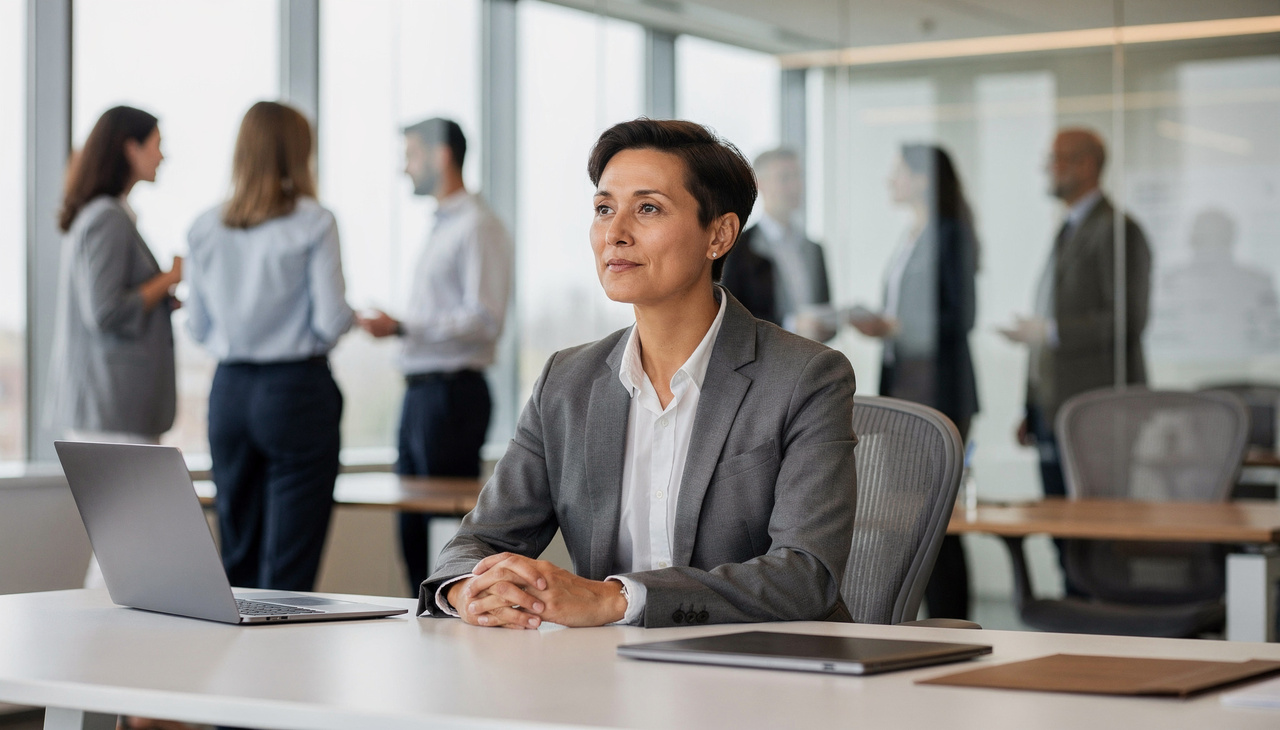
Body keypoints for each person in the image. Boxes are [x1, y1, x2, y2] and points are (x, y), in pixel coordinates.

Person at [418, 119, 858, 629]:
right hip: (611, 667)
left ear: (718, 235)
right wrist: (469, 589)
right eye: (604, 209)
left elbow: (804, 576)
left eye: (648, 208)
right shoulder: (566, 382)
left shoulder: (806, 377)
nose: (615, 234)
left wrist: (617, 600)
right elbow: (478, 541)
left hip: (767, 663)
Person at [186, 101, 354, 592]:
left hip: (229, 392)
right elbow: (330, 320)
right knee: (288, 568)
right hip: (296, 390)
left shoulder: (204, 226)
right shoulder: (315, 221)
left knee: (237, 556)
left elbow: (197, 326)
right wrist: (346, 320)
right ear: (298, 152)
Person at [357, 118, 512, 595]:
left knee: (443, 535)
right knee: (412, 530)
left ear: (441, 155)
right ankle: (424, 618)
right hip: (423, 395)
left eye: (412, 155)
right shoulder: (443, 225)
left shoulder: (477, 225)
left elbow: (485, 319)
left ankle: (448, 618)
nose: (405, 168)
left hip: (452, 395)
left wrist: (404, 326)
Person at [1000, 128, 1151, 565]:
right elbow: (1048, 323)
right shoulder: (1069, 228)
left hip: (1098, 413)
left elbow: (1128, 319)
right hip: (1053, 410)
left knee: (1096, 538)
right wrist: (1029, 406)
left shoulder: (1118, 230)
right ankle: (1073, 604)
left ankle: (1096, 608)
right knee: (1062, 532)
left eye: (1055, 160)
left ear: (1085, 165)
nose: (1046, 169)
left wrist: (1051, 331)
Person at [849, 143, 979, 620]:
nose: (890, 181)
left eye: (898, 172)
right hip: (905, 387)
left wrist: (897, 326)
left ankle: (950, 620)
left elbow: (960, 316)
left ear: (923, 179)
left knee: (935, 518)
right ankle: (912, 619)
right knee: (907, 518)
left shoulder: (950, 234)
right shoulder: (913, 235)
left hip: (937, 391)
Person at [47, 105, 180, 448]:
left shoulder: (103, 213)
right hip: (111, 409)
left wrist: (160, 298)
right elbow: (106, 311)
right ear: (130, 148)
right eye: (156, 145)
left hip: (110, 409)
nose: (162, 156)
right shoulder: (107, 217)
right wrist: (169, 278)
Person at [721, 148, 834, 341]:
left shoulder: (815, 249)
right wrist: (790, 325)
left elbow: (825, 312)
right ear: (760, 185)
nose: (795, 186)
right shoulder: (738, 248)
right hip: (763, 356)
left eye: (798, 177)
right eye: (784, 178)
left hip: (811, 355)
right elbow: (730, 318)